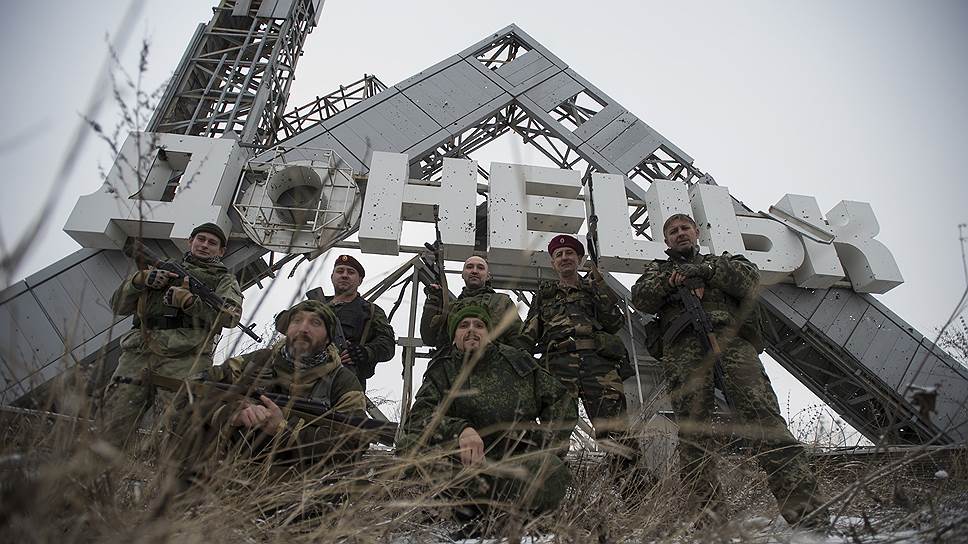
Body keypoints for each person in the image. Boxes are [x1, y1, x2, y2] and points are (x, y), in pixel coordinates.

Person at [630, 213, 827, 528]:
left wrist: (707, 271)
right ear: (666, 241)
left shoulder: (724, 261)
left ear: (697, 232)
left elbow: (749, 278)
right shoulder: (658, 270)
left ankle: (810, 518)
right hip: (684, 352)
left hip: (733, 345)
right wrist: (673, 280)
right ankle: (709, 526)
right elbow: (641, 296)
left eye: (685, 228)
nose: (680, 234)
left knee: (765, 422)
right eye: (672, 231)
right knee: (694, 436)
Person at [399, 305, 576, 534]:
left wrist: (545, 444)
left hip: (513, 468)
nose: (472, 330)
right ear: (454, 337)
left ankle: (515, 522)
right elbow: (419, 417)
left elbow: (560, 401)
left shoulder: (516, 362)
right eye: (464, 325)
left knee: (550, 469)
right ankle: (451, 512)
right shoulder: (442, 370)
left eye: (479, 325)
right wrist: (460, 430)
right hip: (461, 471)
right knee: (408, 446)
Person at [177, 300, 368, 472]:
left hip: (295, 488)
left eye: (315, 323)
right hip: (228, 472)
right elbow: (191, 392)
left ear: (328, 338)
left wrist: (283, 429)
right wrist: (232, 413)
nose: (303, 329)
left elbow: (353, 445)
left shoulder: (343, 381)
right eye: (296, 321)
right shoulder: (257, 361)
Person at [101, 222, 243, 448]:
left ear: (221, 251)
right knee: (116, 417)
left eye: (212, 243)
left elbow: (230, 317)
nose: (205, 245)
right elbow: (117, 306)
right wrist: (139, 281)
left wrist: (189, 302)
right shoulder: (162, 268)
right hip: (139, 351)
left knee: (176, 428)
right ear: (190, 241)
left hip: (185, 356)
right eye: (201, 239)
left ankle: (161, 481)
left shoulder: (224, 280)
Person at [522, 234, 636, 464]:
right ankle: (551, 494)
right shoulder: (544, 295)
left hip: (599, 366)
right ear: (553, 263)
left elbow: (615, 323)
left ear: (580, 259)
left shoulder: (594, 289)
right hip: (558, 367)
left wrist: (600, 287)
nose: (564, 258)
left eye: (569, 253)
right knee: (554, 433)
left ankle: (633, 494)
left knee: (617, 433)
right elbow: (529, 332)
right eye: (559, 255)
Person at [305, 254, 395, 390]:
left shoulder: (370, 311)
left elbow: (388, 345)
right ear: (332, 276)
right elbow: (285, 325)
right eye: (340, 271)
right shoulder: (314, 305)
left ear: (360, 280)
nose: (345, 275)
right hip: (306, 379)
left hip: (346, 384)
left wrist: (364, 352)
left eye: (351, 272)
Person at [420, 255, 530, 352]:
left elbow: (518, 341)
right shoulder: (451, 307)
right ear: (462, 274)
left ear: (488, 276)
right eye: (469, 267)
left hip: (494, 368)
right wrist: (433, 299)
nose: (474, 271)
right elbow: (429, 338)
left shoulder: (501, 302)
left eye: (480, 268)